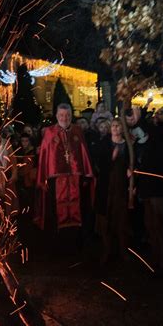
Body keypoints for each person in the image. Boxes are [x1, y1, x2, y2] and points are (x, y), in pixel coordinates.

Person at [35, 103, 94, 252]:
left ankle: (76, 245)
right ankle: (58, 245)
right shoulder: (49, 132)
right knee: (56, 211)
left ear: (71, 116)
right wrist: (43, 179)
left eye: (67, 115)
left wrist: (86, 174)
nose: (64, 118)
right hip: (55, 180)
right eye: (61, 115)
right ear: (56, 116)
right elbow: (44, 157)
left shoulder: (77, 131)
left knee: (78, 208)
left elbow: (84, 154)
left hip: (76, 178)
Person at [134, 106, 163, 276]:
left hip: (160, 187)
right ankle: (155, 258)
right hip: (148, 186)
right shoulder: (155, 132)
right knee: (150, 225)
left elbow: (154, 134)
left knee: (160, 225)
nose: (159, 116)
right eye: (159, 113)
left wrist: (141, 118)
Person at [95, 118, 131, 264]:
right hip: (106, 187)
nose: (115, 128)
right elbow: (99, 164)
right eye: (113, 126)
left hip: (121, 188)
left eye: (118, 126)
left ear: (122, 128)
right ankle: (107, 250)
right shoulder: (104, 143)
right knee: (105, 220)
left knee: (122, 220)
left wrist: (131, 172)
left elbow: (132, 162)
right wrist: (112, 158)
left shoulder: (128, 145)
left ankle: (123, 250)